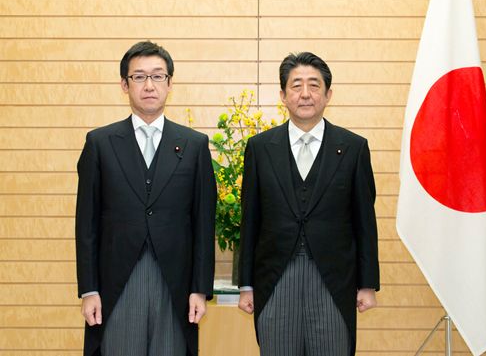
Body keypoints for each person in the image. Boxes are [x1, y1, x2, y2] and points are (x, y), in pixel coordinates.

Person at [75, 40, 217, 356]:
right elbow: (86, 223)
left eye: (158, 76)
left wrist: (199, 289)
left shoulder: (194, 145)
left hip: (176, 285)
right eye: (139, 77)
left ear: (169, 84)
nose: (149, 85)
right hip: (117, 283)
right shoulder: (100, 143)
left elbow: (203, 223)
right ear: (124, 85)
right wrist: (89, 289)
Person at [238, 52, 380, 356]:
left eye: (314, 86)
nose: (305, 94)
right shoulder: (260, 149)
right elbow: (250, 220)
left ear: (328, 94)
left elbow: (364, 222)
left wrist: (368, 284)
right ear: (282, 95)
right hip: (275, 278)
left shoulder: (353, 148)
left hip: (333, 280)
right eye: (296, 85)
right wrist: (246, 284)